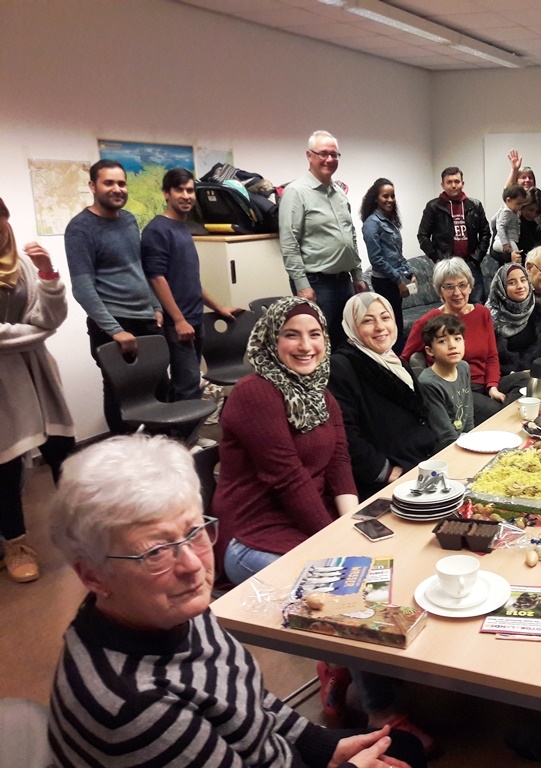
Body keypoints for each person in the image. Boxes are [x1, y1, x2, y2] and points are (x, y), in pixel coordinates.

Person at [48, 434, 425, 768]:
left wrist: (315, 743)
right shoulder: (134, 708)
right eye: (158, 552)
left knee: (402, 747)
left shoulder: (164, 609)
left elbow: (246, 700)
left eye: (195, 532)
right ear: (92, 574)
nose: (194, 566)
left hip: (268, 752)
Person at [213, 297, 358, 586]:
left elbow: (338, 462)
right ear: (271, 339)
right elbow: (288, 478)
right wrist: (336, 542)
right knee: (339, 586)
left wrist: (351, 527)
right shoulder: (255, 394)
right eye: (292, 335)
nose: (306, 346)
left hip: (308, 520)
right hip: (254, 535)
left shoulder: (319, 393)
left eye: (314, 334)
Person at [0, 198, 75, 583]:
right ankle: (16, 542)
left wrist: (48, 273)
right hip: (1, 382)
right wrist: (36, 333)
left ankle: (80, 527)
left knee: (62, 448)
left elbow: (51, 317)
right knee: (5, 464)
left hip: (37, 372)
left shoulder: (25, 263)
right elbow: (41, 328)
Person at [65, 159, 164, 434]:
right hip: (115, 324)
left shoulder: (130, 220)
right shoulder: (80, 228)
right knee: (122, 394)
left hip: (146, 318)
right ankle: (125, 456)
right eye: (109, 182)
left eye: (121, 183)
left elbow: (138, 268)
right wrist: (115, 330)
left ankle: (161, 453)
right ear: (92, 186)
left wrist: (155, 306)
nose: (117, 189)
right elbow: (82, 287)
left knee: (160, 388)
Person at [142, 167, 242, 402]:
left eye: (190, 190)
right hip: (177, 324)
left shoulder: (183, 228)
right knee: (186, 384)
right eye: (179, 190)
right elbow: (156, 278)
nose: (186, 196)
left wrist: (218, 308)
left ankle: (189, 436)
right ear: (166, 193)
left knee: (190, 382)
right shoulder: (157, 230)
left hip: (194, 319)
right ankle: (182, 438)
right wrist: (178, 320)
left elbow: (189, 281)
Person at [328, 293, 437, 500]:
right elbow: (343, 433)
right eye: (368, 321)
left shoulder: (396, 362)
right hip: (391, 479)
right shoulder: (341, 366)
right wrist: (384, 471)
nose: (380, 327)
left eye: (385, 318)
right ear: (352, 325)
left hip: (424, 464)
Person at [279, 130, 365, 346]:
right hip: (317, 283)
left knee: (348, 341)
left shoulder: (339, 192)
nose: (330, 159)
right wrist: (302, 286)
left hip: (344, 280)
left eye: (335, 155)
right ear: (310, 155)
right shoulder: (296, 192)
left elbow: (350, 235)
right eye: (324, 154)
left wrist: (357, 274)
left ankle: (341, 381)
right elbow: (289, 243)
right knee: (320, 344)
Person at [400, 257, 511, 422]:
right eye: (449, 287)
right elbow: (404, 360)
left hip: (486, 383)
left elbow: (491, 356)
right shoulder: (428, 322)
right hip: (457, 391)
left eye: (462, 284)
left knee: (527, 384)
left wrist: (493, 386)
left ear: (470, 286)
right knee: (499, 412)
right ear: (440, 291)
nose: (457, 293)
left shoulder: (482, 313)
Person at [416, 166, 491, 304]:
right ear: (442, 185)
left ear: (462, 183)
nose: (453, 185)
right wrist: (438, 259)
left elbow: (485, 233)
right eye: (449, 182)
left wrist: (476, 258)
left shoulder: (474, 205)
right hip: (447, 266)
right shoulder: (433, 207)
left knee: (477, 304)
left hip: (470, 264)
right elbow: (423, 236)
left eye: (457, 181)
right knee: (451, 306)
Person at [360, 177, 414, 352]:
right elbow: (377, 260)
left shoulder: (389, 220)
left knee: (397, 324)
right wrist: (399, 281)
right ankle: (394, 361)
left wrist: (410, 273)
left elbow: (396, 254)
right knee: (391, 325)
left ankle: (400, 360)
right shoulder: (371, 224)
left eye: (392, 196)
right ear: (376, 198)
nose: (390, 200)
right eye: (385, 196)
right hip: (385, 282)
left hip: (395, 279)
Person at [417, 314, 474, 449]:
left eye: (457, 339)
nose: (452, 345)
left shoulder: (463, 367)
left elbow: (468, 411)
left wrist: (471, 436)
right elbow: (444, 435)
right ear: (430, 351)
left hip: (461, 439)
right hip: (442, 448)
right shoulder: (428, 383)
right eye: (442, 341)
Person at [487, 263, 541, 377]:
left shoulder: (538, 311)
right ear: (501, 287)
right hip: (503, 378)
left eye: (523, 280)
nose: (520, 286)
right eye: (512, 282)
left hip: (536, 375)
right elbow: (489, 360)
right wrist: (511, 373)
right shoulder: (489, 317)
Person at [483, 184, 530, 291]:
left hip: (505, 239)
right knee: (517, 255)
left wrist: (494, 228)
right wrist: (504, 242)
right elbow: (500, 226)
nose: (520, 207)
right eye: (518, 204)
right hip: (504, 241)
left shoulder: (505, 209)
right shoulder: (507, 212)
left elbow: (493, 221)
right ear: (508, 200)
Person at [517, 187, 541, 254]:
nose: (533, 214)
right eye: (530, 210)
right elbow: (494, 252)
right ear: (522, 206)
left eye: (537, 212)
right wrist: (510, 256)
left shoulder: (538, 228)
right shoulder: (510, 222)